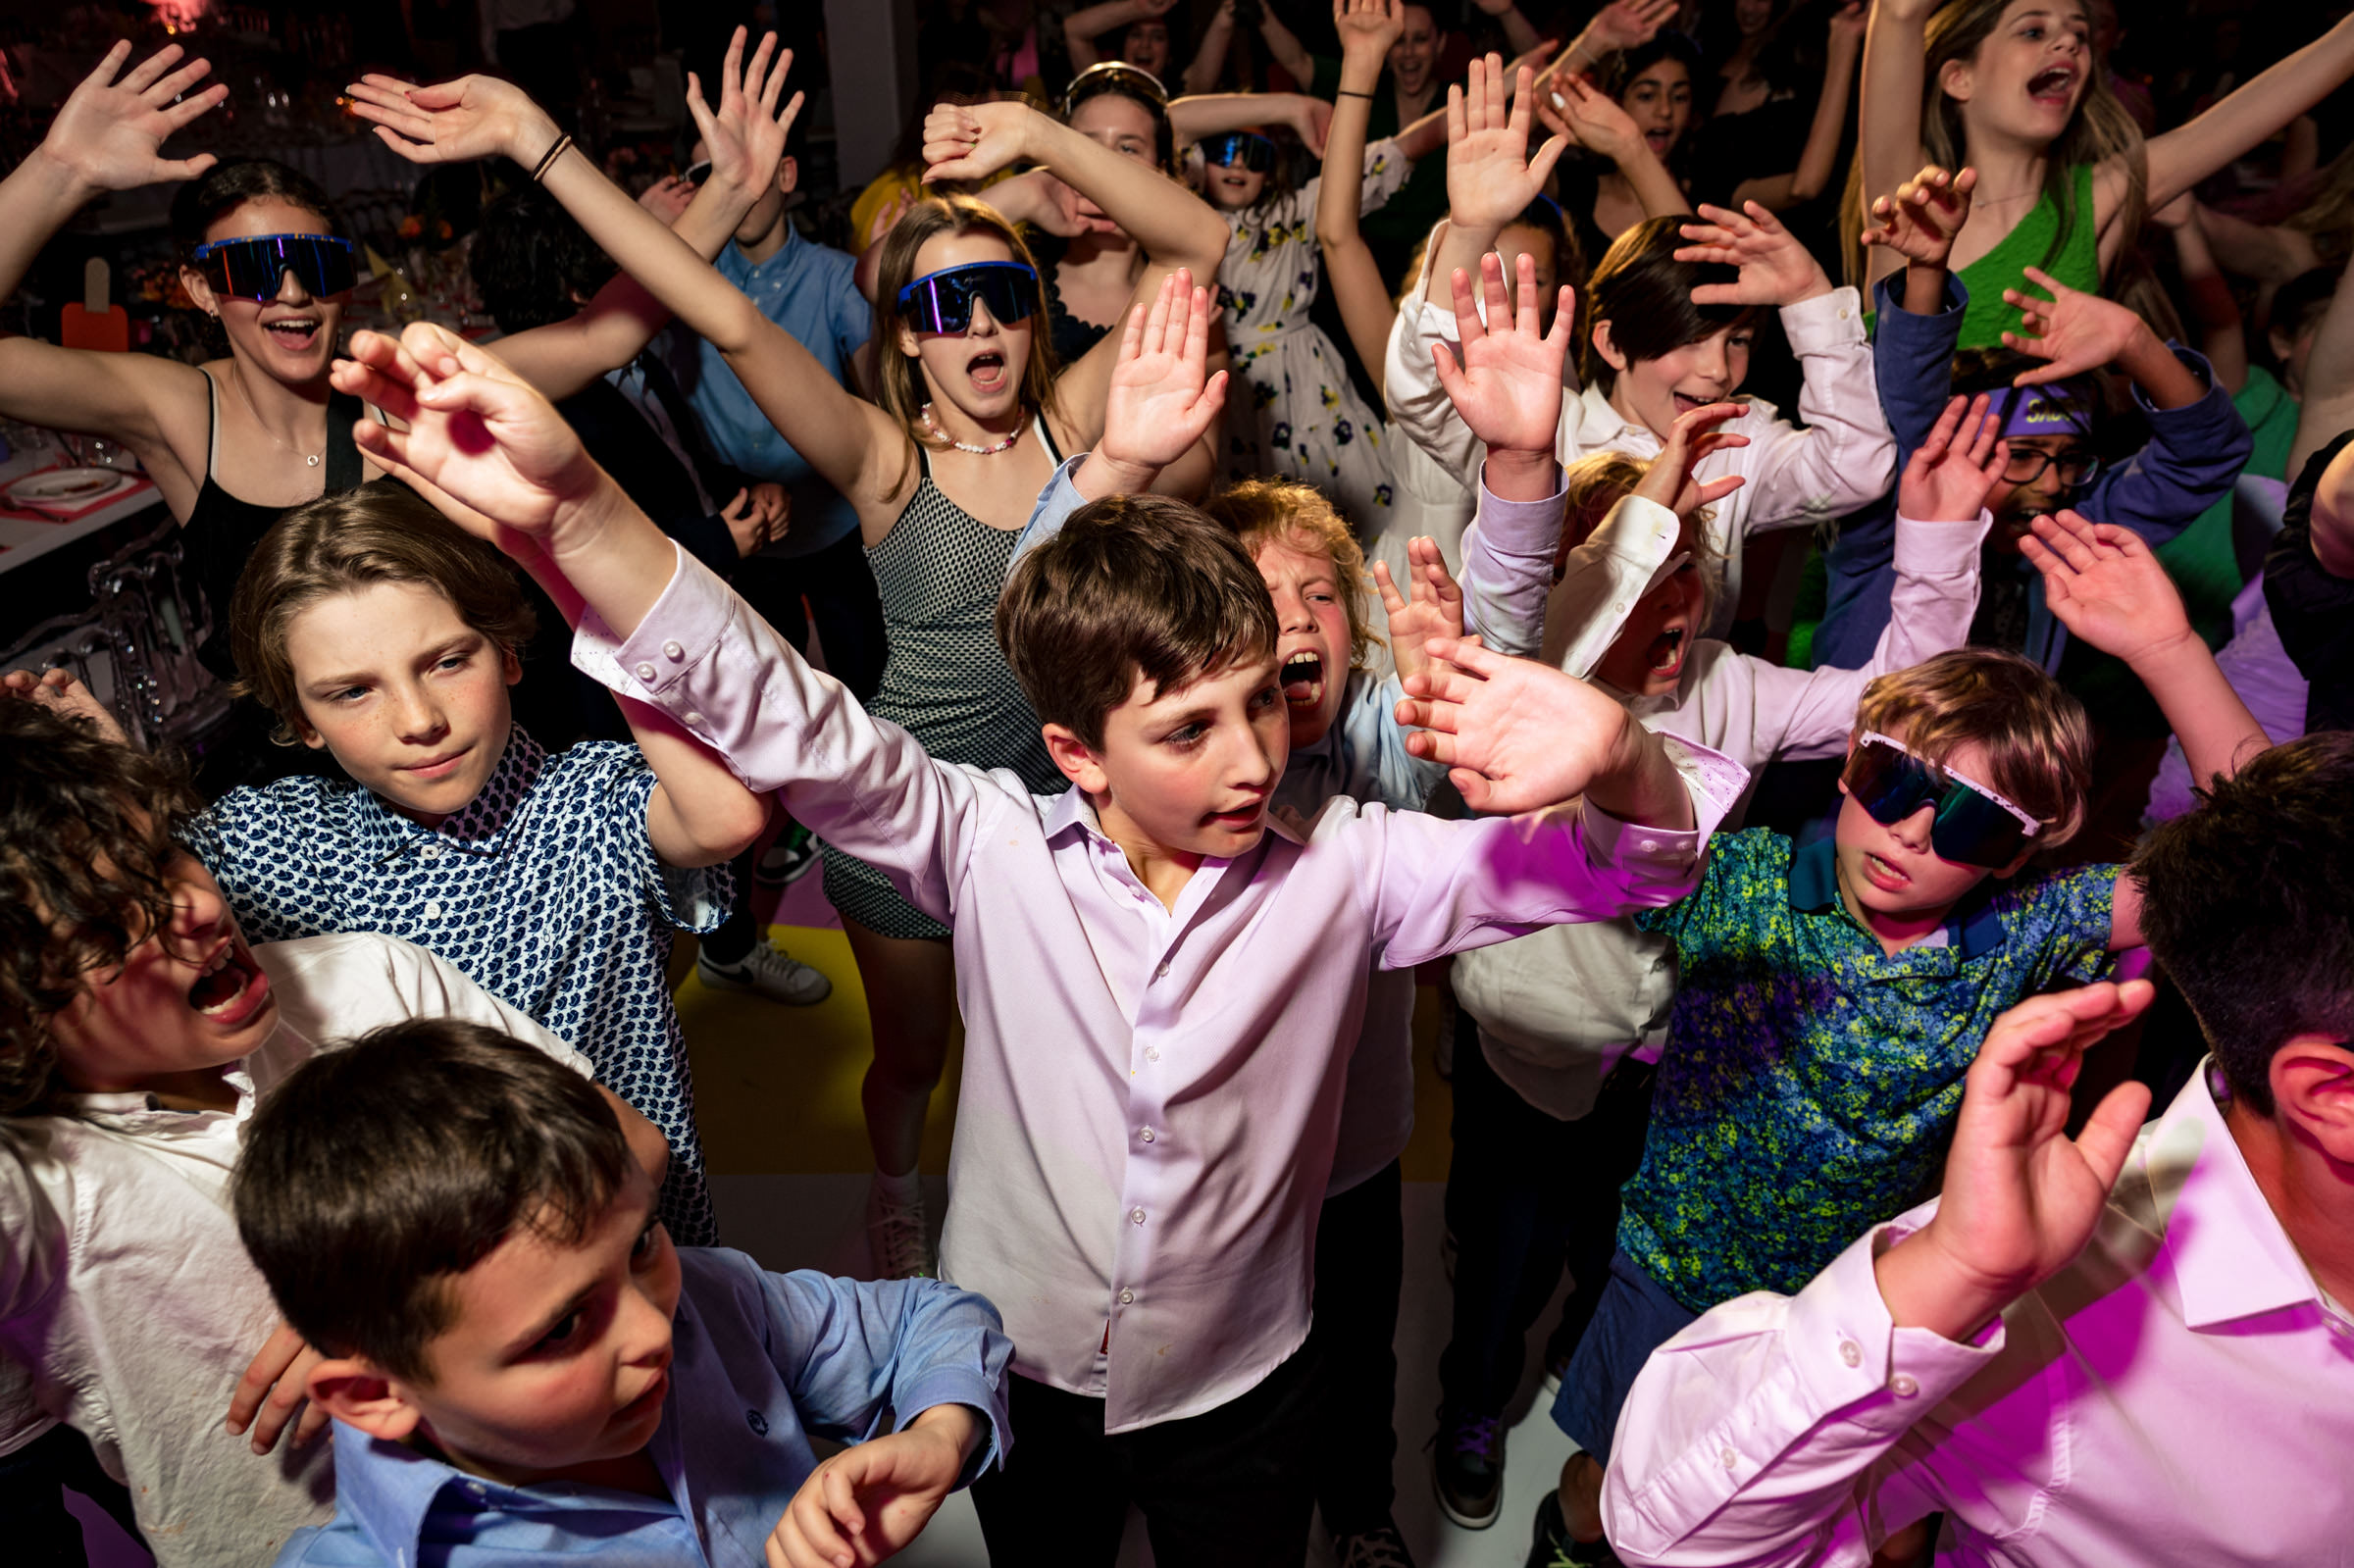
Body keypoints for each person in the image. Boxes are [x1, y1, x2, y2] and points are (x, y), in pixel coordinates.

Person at [326, 307, 1743, 1568]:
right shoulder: (989, 845)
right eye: (1187, 728)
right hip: (1014, 1363)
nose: (1252, 757)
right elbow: (777, 706)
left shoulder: (1354, 871)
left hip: (1244, 1382)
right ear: (1077, 751)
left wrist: (1622, 754)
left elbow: (1629, 872)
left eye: (1262, 700)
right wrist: (577, 513)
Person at [349, 46, 1230, 1281]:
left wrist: (1039, 130)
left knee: (1076, 1041)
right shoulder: (882, 462)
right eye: (938, 306)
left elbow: (1199, 248)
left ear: (1032, 318)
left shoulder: (1088, 424)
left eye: (1000, 296)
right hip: (912, 806)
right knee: (918, 1056)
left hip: (1069, 806)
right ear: (906, 345)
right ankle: (896, 1194)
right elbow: (720, 312)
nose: (975, 321)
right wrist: (533, 138)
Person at [1008, 256, 1576, 1566]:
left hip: (1352, 1147)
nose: (1297, 619)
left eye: (1321, 592)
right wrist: (1110, 462)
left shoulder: (1382, 744)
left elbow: (1484, 634)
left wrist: (1523, 472)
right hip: (1184, 1161)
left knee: (1352, 1338)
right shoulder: (1167, 758)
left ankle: (1366, 1507)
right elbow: (1051, 629)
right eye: (1264, 602)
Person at [1598, 725, 2352, 1566]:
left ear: (2011, 855)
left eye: (1973, 822)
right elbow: (1648, 848)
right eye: (1892, 779)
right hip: (1680, 1261)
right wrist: (1622, 754)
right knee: (1607, 1471)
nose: (1916, 829)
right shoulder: (1752, 881)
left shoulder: (2020, 934)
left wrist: (2164, 652)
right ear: (1848, 767)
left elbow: (2246, 892)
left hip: (1868, 1277)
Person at [0, 694, 661, 1568]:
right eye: (106, 924)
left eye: (164, 858)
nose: (193, 908)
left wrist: (384, 1315)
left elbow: (634, 1145)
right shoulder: (42, 1186)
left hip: (595, 1505)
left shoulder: (369, 979)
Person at [0, 41, 778, 697]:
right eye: (254, 269)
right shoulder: (175, 408)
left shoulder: (390, 387)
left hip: (449, 743)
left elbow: (599, 338)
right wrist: (59, 170)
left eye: (316, 263)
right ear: (202, 288)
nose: (294, 293)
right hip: (291, 782)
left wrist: (730, 194)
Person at [189, 482, 767, 1247]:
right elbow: (126, 893)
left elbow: (725, 815)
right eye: (353, 691)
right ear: (303, 721)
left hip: (631, 1241)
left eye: (447, 660)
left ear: (506, 651)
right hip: (420, 1277)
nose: (419, 719)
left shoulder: (589, 803)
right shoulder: (274, 841)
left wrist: (570, 569)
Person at [235, 1021, 1012, 1568]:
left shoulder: (712, 1297)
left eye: (641, 1243)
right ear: (374, 1391)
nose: (655, 1326)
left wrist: (940, 1435)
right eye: (566, 1324)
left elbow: (927, 1316)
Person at [1392, 65, 1895, 642]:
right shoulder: (1542, 431)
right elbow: (1420, 393)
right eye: (1686, 342)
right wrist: (1469, 228)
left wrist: (1811, 299)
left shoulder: (1735, 444)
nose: (1717, 371)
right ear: (1610, 344)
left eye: (1737, 341)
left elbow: (1859, 466)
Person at [1815, 253, 2249, 675]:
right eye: (2021, 456)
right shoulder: (1891, 525)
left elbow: (2205, 455)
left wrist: (2136, 342)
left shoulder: (2068, 532)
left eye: (2071, 459)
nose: (2055, 484)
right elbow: (1905, 410)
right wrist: (1926, 270)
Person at [1853, 0, 2354, 349]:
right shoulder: (1911, 201)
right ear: (1960, 77)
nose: (2068, 43)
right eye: (2033, 30)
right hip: (1911, 501)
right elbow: (1898, 12)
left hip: (2057, 497)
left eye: (2080, 34)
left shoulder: (2097, 196)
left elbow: (2273, 98)